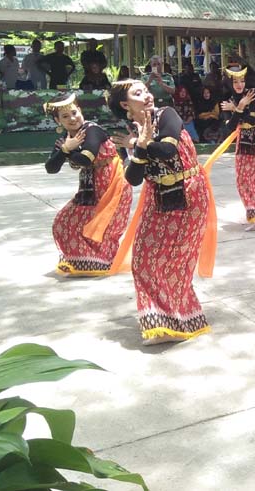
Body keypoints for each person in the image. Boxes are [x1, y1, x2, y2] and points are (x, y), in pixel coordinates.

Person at [108, 80, 217, 344]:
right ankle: (161, 320)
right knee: (143, 260)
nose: (146, 95)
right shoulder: (130, 130)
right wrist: (138, 145)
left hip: (189, 194)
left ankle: (180, 321)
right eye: (137, 93)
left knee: (176, 263)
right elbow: (133, 177)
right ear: (125, 105)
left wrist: (140, 145)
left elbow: (167, 151)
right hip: (158, 197)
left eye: (145, 90)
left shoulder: (167, 114)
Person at [43, 93, 132, 277]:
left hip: (112, 183)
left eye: (74, 113)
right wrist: (66, 148)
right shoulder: (66, 140)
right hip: (89, 187)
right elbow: (51, 167)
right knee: (64, 222)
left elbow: (86, 157)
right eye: (65, 117)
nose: (72, 118)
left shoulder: (92, 130)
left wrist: (67, 151)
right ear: (57, 121)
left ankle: (104, 262)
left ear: (80, 110)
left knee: (103, 228)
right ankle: (86, 262)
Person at [220, 65, 255, 228]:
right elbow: (229, 127)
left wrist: (237, 109)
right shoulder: (229, 100)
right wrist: (239, 107)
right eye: (235, 81)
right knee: (242, 177)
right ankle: (253, 213)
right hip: (243, 137)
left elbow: (252, 120)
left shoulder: (253, 94)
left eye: (242, 81)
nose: (239, 85)